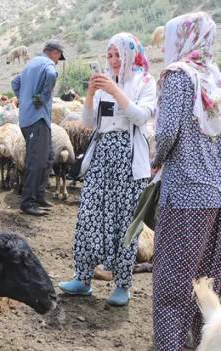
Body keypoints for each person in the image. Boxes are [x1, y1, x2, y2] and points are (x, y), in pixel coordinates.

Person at [57, 33, 156, 306]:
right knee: (88, 215)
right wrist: (91, 93)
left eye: (118, 55)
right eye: (109, 55)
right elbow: (88, 123)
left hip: (129, 159)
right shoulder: (103, 84)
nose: (113, 61)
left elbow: (141, 117)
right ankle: (83, 277)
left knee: (125, 222)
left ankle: (122, 284)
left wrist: (115, 91)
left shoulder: (145, 81)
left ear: (130, 55)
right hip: (101, 157)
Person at [152, 12, 221, 350]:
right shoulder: (216, 79)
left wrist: (155, 160)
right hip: (215, 195)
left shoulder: (179, 77)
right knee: (205, 283)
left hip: (183, 195)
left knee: (171, 287)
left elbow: (165, 133)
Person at [11, 40, 65, 216]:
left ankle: (39, 195)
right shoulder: (48, 64)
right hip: (37, 119)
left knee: (48, 157)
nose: (58, 61)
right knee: (36, 161)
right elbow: (51, 74)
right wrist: (42, 96)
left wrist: (23, 99)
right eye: (59, 57)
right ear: (55, 53)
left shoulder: (30, 64)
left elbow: (15, 83)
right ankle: (28, 202)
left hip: (30, 119)